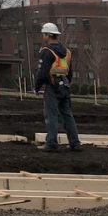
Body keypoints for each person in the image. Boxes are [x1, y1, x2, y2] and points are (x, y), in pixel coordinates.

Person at [35, 23, 83, 152]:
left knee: (51, 115)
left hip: (52, 87)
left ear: (48, 35)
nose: (43, 37)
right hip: (65, 87)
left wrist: (37, 87)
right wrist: (66, 85)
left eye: (44, 34)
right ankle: (75, 143)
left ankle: (51, 143)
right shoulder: (66, 52)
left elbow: (43, 73)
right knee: (67, 115)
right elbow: (70, 72)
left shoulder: (46, 51)